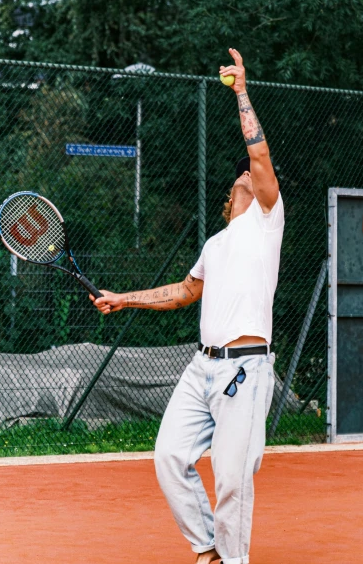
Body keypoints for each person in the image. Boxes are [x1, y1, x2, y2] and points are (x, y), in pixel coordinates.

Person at [91, 48, 284, 564]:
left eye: (255, 172)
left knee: (231, 477)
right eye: (242, 174)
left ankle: (231, 559)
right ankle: (208, 548)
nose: (251, 173)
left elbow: (260, 155)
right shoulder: (216, 244)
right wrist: (123, 299)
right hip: (201, 366)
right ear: (231, 192)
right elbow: (184, 292)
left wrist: (241, 90)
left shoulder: (267, 220)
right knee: (169, 456)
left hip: (245, 367)